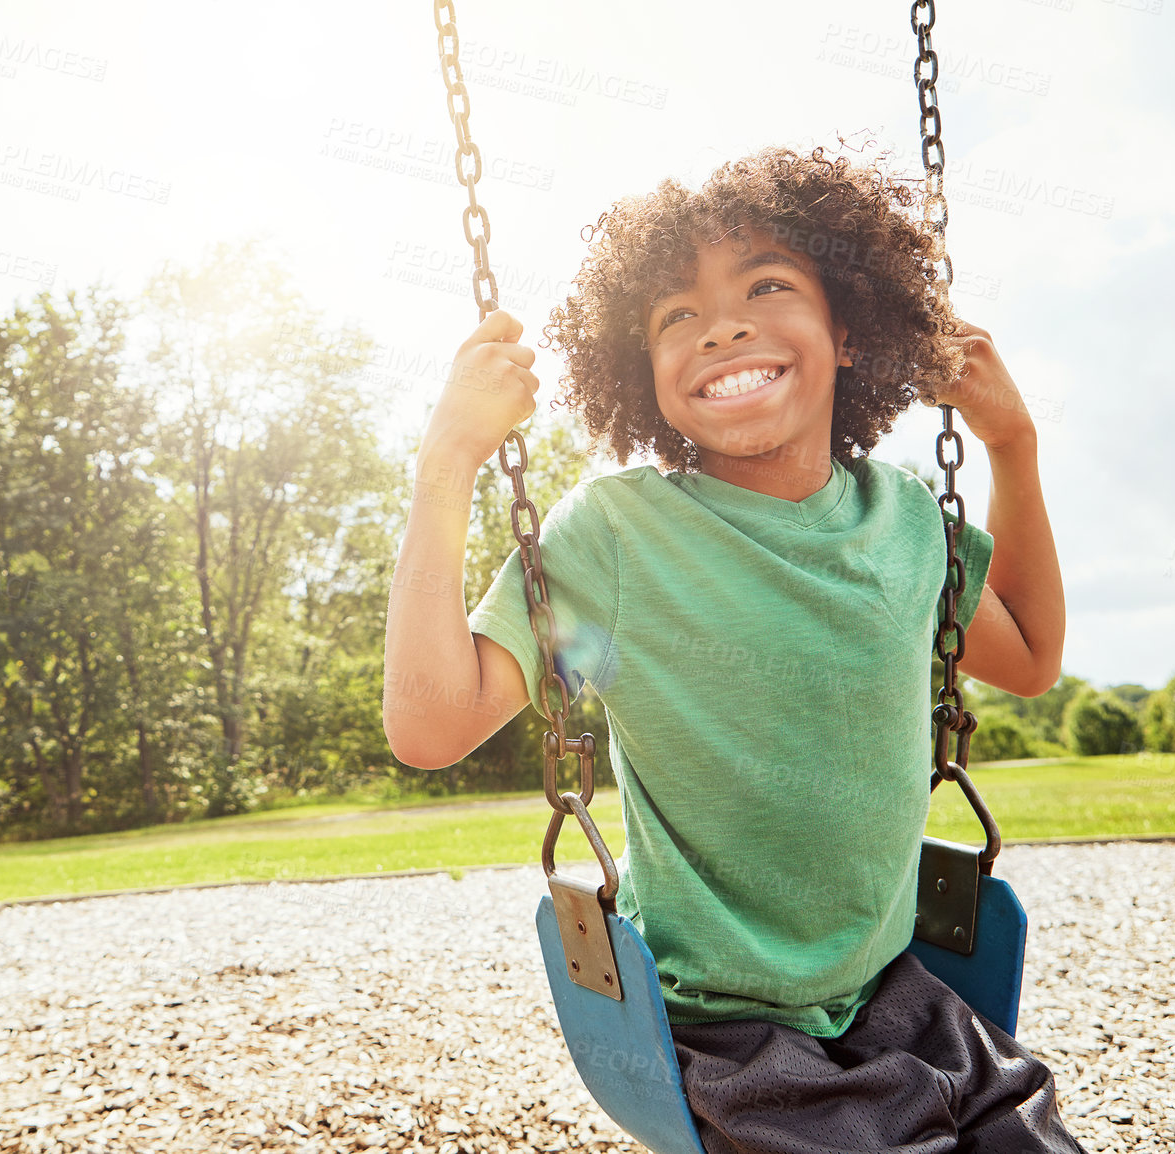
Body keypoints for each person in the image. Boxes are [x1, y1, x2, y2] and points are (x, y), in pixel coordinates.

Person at [381, 146, 1078, 1152]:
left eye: (766, 285)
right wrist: (446, 462)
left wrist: (1012, 445)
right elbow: (431, 721)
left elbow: (1028, 658)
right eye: (675, 314)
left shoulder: (906, 521)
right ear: (642, 369)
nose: (721, 325)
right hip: (725, 1030)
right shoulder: (618, 542)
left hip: (901, 998)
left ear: (848, 329)